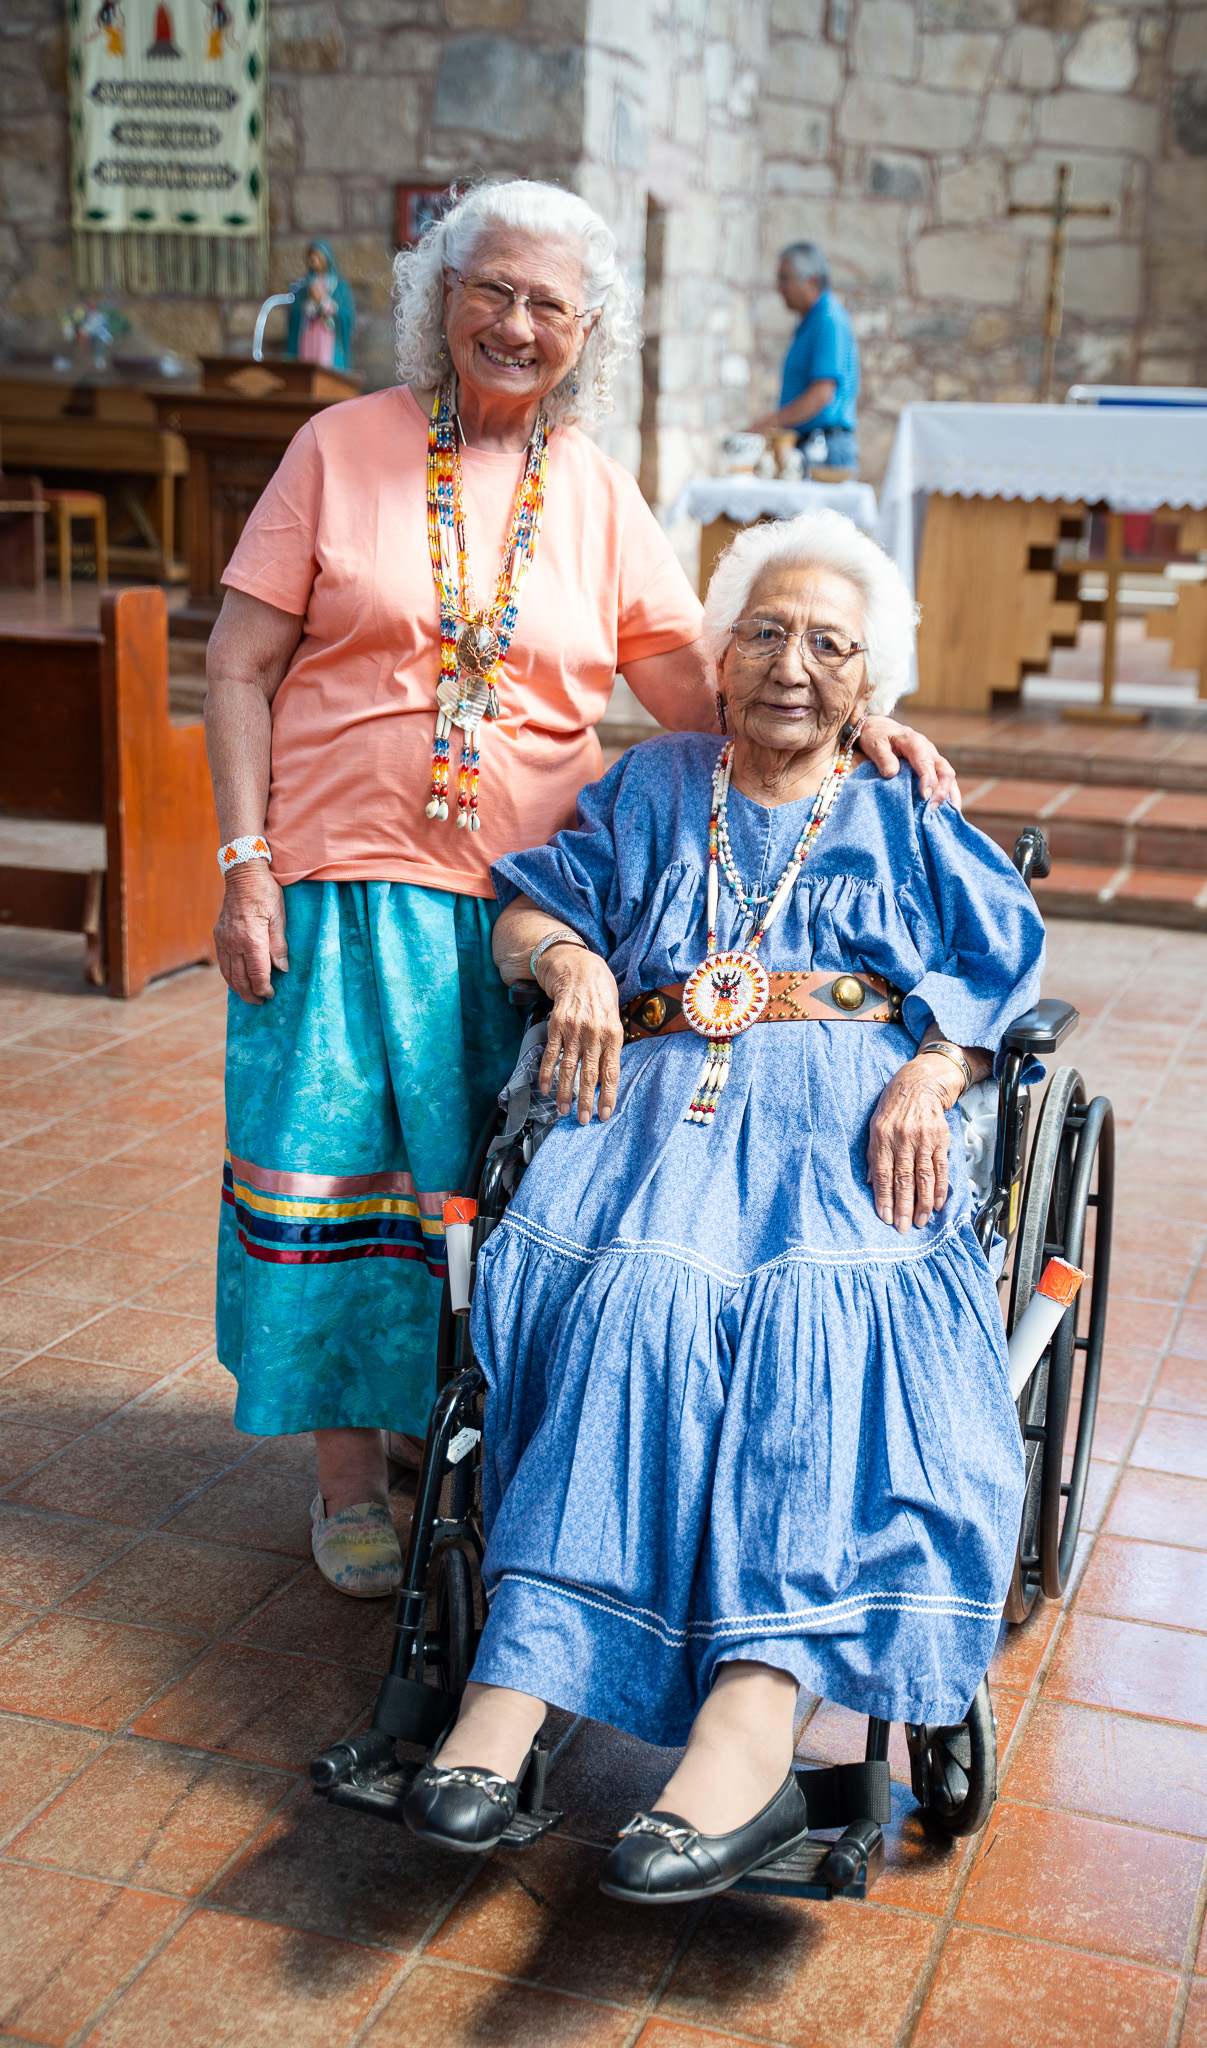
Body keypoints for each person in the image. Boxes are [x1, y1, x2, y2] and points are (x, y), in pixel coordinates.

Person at [204, 182, 959, 1604]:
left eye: (548, 303)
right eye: (490, 289)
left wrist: (854, 720)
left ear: (587, 332)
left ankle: (444, 1428)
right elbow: (237, 665)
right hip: (336, 884)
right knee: (334, 1179)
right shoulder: (338, 448)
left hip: (526, 912)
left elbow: (704, 690)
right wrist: (246, 865)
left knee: (484, 1193)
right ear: (441, 296)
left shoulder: (598, 493)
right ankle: (347, 1476)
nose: (515, 322)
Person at [402, 511, 1041, 1906]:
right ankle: (516, 1687)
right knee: (642, 1292)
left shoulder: (901, 803)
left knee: (819, 1317)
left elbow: (1000, 966)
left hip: (849, 1122)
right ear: (718, 654)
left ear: (868, 681)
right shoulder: (652, 784)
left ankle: (753, 1721)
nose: (791, 666)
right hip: (654, 1114)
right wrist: (573, 964)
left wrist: (934, 1070)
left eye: (828, 645)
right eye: (764, 632)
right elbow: (529, 910)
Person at [750, 241, 860, 475]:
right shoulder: (813, 321)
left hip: (824, 449)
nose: (779, 287)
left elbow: (822, 393)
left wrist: (768, 425)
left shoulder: (829, 320)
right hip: (809, 444)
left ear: (811, 281)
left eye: (784, 279)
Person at [285, 240, 354, 372]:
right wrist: (309, 305)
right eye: (311, 257)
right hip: (309, 332)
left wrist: (325, 303)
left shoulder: (339, 285)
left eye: (317, 256)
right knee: (307, 365)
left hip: (327, 334)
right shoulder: (305, 284)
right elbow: (295, 311)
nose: (313, 260)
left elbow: (346, 313)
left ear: (325, 258)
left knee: (325, 366)